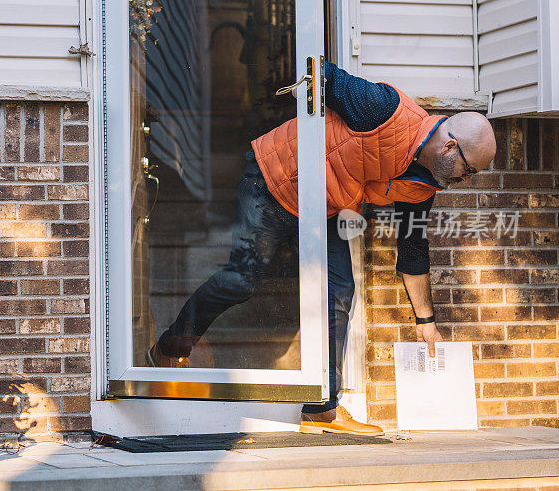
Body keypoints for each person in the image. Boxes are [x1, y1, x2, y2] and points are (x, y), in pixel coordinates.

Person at [146, 61, 497, 436]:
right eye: (469, 169)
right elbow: (322, 72)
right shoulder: (384, 108)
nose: (465, 179)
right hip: (274, 181)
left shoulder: (425, 184)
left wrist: (426, 323)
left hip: (325, 205)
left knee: (340, 289)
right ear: (449, 146)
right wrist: (303, 91)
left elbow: (413, 249)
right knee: (242, 280)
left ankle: (322, 408)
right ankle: (169, 347)